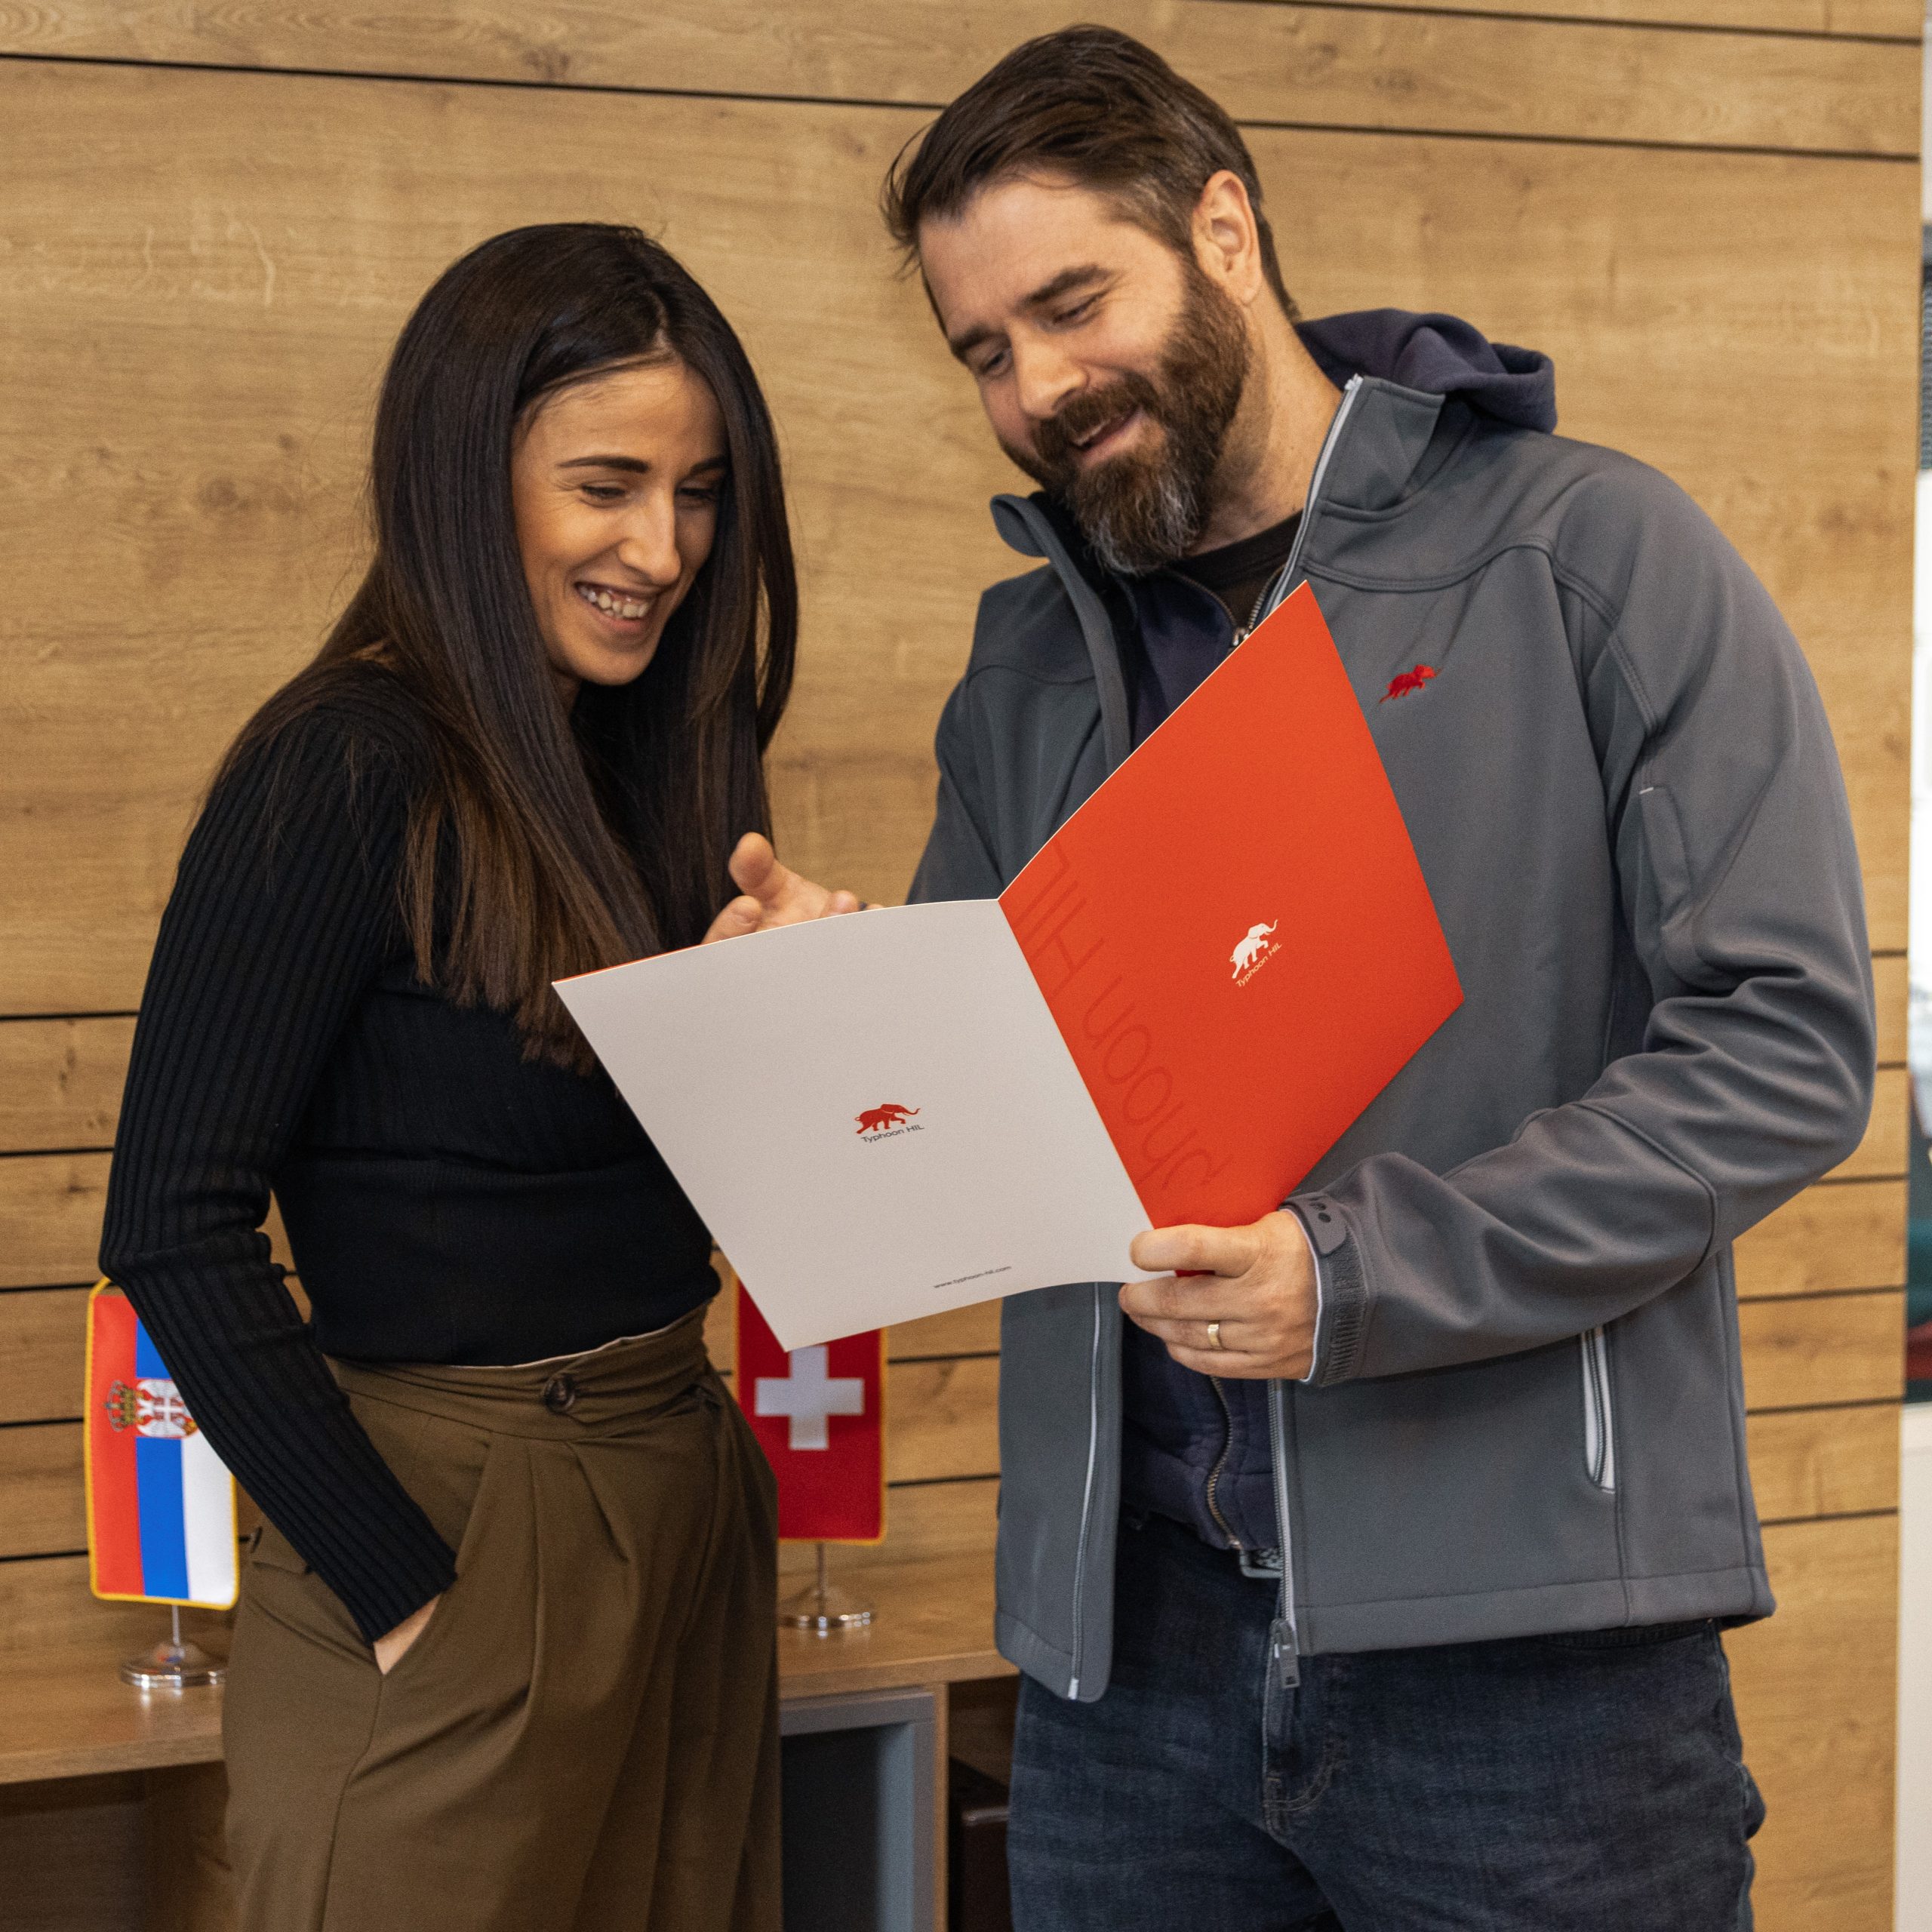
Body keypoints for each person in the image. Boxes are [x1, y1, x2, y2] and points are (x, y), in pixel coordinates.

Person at [883, 27, 1874, 1930]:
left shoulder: (1590, 554)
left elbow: (1782, 1043)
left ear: (1224, 229)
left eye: (1070, 304)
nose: (1033, 388)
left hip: (1532, 1679)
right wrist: (841, 1013)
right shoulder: (1021, 673)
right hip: (1127, 1673)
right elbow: (996, 1114)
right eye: (982, 350)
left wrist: (1357, 1274)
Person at [99, 223, 851, 1932]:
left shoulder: (655, 752)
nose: (659, 548)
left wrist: (796, 1024)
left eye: (700, 489)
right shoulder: (339, 766)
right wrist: (395, 1584)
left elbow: (713, 1206)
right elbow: (173, 1219)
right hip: (445, 1523)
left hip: (681, 1478)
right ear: (464, 478)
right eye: (603, 483)